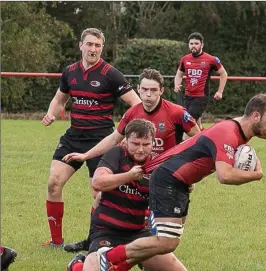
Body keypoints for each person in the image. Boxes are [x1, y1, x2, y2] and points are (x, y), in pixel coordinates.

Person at [91, 93, 266, 271]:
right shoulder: (227, 133)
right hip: (169, 180)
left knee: (168, 244)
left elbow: (263, 132)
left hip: (179, 182)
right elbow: (224, 176)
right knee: (167, 241)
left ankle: (117, 269)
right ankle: (110, 258)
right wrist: (256, 175)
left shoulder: (241, 126)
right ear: (256, 116)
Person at [62, 68, 200, 252]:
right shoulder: (132, 113)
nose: (148, 94)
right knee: (101, 197)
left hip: (167, 175)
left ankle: (150, 250)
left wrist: (188, 173)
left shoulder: (176, 113)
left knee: (175, 221)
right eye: (144, 90)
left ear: (161, 91)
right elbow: (114, 139)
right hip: (136, 172)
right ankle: (93, 239)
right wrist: (86, 155)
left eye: (153, 90)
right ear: (138, 89)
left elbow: (198, 142)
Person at [41, 28, 141, 248]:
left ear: (102, 48)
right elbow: (60, 99)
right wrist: (51, 113)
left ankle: (95, 240)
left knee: (98, 193)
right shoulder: (70, 72)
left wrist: (124, 132)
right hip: (74, 137)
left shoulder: (111, 74)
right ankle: (56, 241)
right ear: (81, 45)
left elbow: (137, 104)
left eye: (97, 45)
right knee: (53, 183)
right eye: (89, 44)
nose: (93, 49)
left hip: (101, 139)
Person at [65, 119, 189, 271]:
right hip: (106, 231)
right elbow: (97, 183)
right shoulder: (116, 154)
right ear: (125, 141)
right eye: (135, 143)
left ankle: (138, 261)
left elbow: (175, 215)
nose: (140, 149)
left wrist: (181, 191)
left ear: (154, 143)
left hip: (138, 233)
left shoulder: (158, 167)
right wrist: (128, 176)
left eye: (146, 144)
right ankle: (77, 263)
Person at [174, 32, 228, 131]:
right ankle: (203, 137)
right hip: (187, 96)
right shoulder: (185, 59)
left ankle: (185, 144)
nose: (193, 46)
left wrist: (220, 91)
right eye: (191, 44)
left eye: (196, 43)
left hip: (201, 97)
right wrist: (177, 84)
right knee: (196, 123)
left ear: (202, 45)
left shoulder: (211, 60)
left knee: (188, 122)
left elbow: (223, 74)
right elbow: (179, 75)